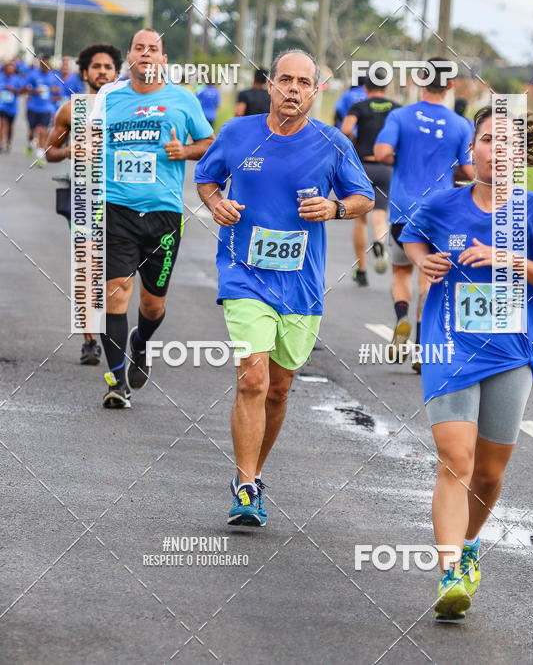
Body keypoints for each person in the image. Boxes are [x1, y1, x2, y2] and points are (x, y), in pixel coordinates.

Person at [401, 106, 533, 620]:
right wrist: (420, 260)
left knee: (491, 473)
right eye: (485, 141)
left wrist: (507, 259)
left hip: (511, 352)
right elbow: (412, 234)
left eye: (504, 143)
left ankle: (470, 542)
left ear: (519, 157)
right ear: (471, 150)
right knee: (456, 458)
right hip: (448, 345)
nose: (494, 151)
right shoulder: (443, 205)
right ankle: (450, 571)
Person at [195, 49, 374, 526]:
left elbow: (364, 197)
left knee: (279, 388)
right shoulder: (237, 133)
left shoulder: (332, 142)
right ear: (270, 85)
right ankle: (246, 485)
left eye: (304, 83)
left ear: (316, 92)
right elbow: (207, 179)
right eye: (285, 80)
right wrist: (216, 206)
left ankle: (255, 472)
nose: (293, 89)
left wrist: (335, 209)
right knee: (253, 376)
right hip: (244, 273)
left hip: (302, 282)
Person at [96, 28, 215, 409]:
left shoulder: (182, 99)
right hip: (117, 209)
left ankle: (141, 342)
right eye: (139, 48)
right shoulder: (110, 98)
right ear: (128, 56)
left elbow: (209, 144)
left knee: (152, 305)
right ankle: (116, 382)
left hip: (164, 215)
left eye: (154, 49)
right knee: (116, 291)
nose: (146, 54)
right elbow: (90, 139)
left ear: (163, 59)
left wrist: (185, 151)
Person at [374, 61, 474, 372]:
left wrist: (401, 156)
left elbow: (381, 153)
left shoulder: (400, 115)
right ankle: (420, 349)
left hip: (404, 210)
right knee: (430, 278)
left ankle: (401, 315)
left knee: (401, 273)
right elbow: (470, 170)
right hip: (441, 213)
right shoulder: (460, 125)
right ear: (451, 85)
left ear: (420, 81)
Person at [46, 43, 122, 366]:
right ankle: (90, 339)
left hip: (121, 199)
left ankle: (114, 329)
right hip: (84, 197)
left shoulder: (125, 108)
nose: (102, 72)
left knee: (114, 275)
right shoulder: (71, 110)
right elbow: (49, 151)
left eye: (108, 67)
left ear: (117, 73)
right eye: (96, 67)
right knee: (87, 267)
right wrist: (68, 151)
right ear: (84, 73)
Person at [341, 66, 400, 284]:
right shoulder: (396, 109)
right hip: (385, 166)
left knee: (360, 220)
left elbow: (346, 130)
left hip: (362, 166)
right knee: (380, 214)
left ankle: (362, 271)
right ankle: (380, 242)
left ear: (366, 89)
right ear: (386, 88)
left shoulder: (359, 106)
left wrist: (355, 141)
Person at [25, 56, 61, 164]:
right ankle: (30, 143)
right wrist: (35, 91)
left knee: (43, 131)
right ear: (40, 65)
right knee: (31, 132)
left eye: (47, 65)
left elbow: (58, 89)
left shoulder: (52, 76)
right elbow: (25, 87)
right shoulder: (33, 74)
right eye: (43, 65)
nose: (45, 67)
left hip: (46, 108)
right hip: (33, 107)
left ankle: (40, 155)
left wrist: (55, 90)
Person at [0, 60, 25, 152]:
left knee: (10, 126)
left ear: (14, 70)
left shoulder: (17, 79)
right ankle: (1, 143)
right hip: (2, 105)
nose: (10, 70)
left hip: (12, 107)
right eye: (8, 68)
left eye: (12, 68)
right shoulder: (1, 77)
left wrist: (13, 90)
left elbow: (22, 91)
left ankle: (8, 142)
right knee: (2, 123)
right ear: (5, 69)